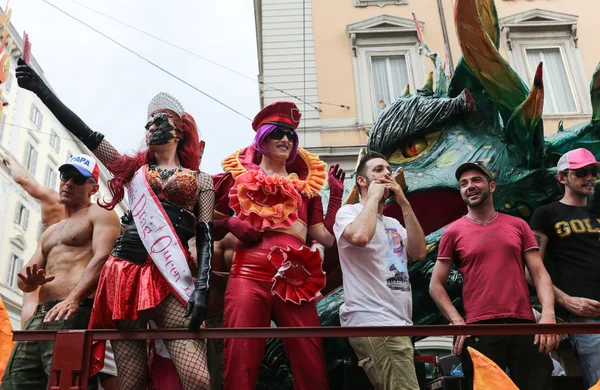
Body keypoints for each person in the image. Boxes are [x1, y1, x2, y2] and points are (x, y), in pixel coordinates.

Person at [16, 58, 214, 390]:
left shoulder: (202, 181)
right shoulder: (131, 170)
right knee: (132, 382)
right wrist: (41, 89)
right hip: (124, 274)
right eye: (147, 125)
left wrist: (203, 289)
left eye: (159, 122)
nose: (151, 128)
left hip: (170, 277)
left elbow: (205, 236)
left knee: (196, 378)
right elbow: (87, 133)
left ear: (180, 130)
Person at [212, 101, 344, 390]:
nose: (286, 139)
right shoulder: (236, 179)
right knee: (240, 358)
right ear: (263, 137)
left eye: (291, 135)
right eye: (278, 133)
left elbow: (325, 238)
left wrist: (335, 196)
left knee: (310, 359)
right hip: (247, 274)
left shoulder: (306, 188)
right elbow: (206, 226)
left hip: (296, 279)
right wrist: (231, 224)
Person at [429, 161, 559, 390]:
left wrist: (548, 316)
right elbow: (435, 285)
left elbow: (539, 274)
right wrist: (457, 322)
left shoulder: (518, 225)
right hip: (479, 329)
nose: (470, 186)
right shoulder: (453, 232)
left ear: (492, 186)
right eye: (463, 183)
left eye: (476, 180)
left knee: (539, 383)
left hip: (524, 326)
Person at [0, 154, 121, 389]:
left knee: (65, 382)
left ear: (93, 188)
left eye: (78, 179)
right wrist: (28, 281)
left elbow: (103, 257)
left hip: (75, 312)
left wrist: (73, 299)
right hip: (41, 316)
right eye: (66, 176)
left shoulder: (100, 213)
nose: (69, 183)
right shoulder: (51, 231)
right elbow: (26, 279)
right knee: (15, 382)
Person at [333, 151, 426, 390]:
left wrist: (404, 202)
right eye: (378, 170)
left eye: (388, 169)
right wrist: (373, 198)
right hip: (373, 320)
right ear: (362, 181)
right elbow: (361, 236)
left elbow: (418, 252)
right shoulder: (349, 213)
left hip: (399, 321)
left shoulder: (393, 224)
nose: (387, 173)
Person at [529, 148, 600, 388]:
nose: (590, 177)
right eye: (581, 172)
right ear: (562, 178)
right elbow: (531, 270)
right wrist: (567, 301)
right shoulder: (546, 214)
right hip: (586, 317)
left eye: (594, 171)